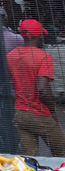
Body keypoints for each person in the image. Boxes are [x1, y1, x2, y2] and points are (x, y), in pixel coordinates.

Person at [6, 19, 65, 156]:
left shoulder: (10, 56)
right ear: (39, 35)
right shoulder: (44, 57)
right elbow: (43, 90)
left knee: (30, 157)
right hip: (40, 114)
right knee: (62, 153)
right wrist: (53, 110)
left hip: (20, 113)